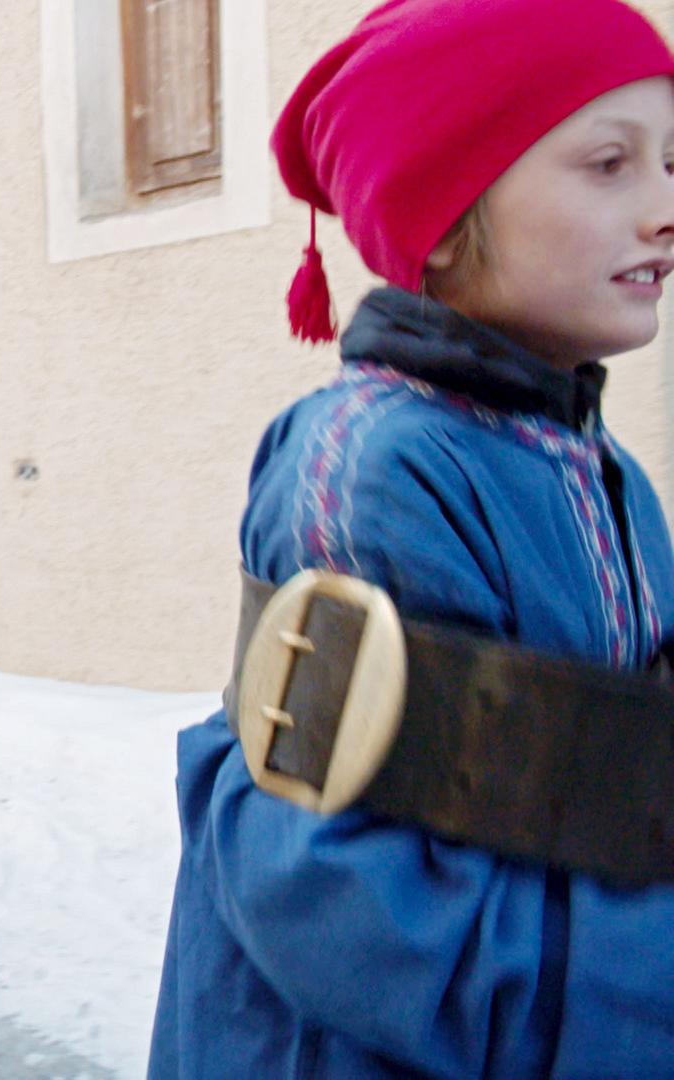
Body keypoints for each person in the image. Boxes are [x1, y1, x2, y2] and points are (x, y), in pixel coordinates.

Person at [149, 2, 674, 1076]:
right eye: (610, 163)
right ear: (443, 219)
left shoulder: (600, 465)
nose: (665, 207)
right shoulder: (370, 470)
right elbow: (333, 886)